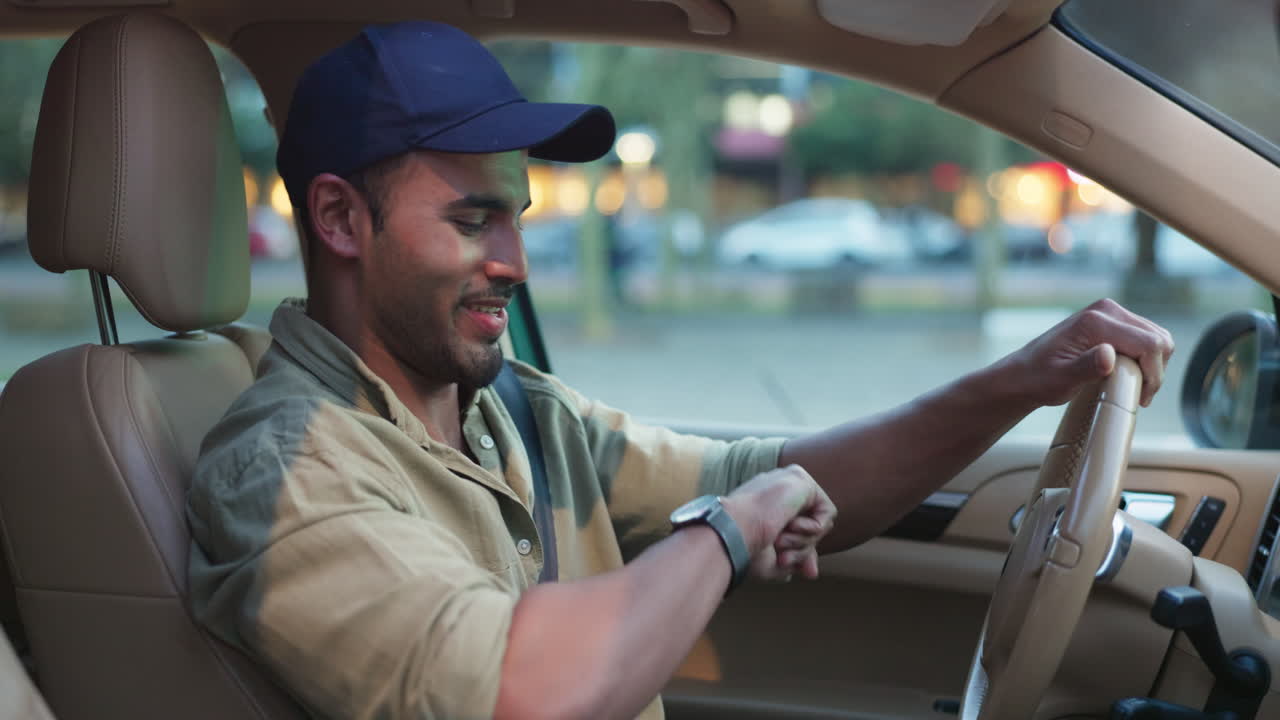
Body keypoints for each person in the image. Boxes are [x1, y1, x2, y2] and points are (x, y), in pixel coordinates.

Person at [186, 21, 1175, 720]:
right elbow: (521, 696)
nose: (516, 264)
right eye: (470, 219)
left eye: (516, 218)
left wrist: (1023, 378)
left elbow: (767, 480)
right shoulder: (286, 468)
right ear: (337, 220)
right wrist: (726, 535)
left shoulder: (511, 411)